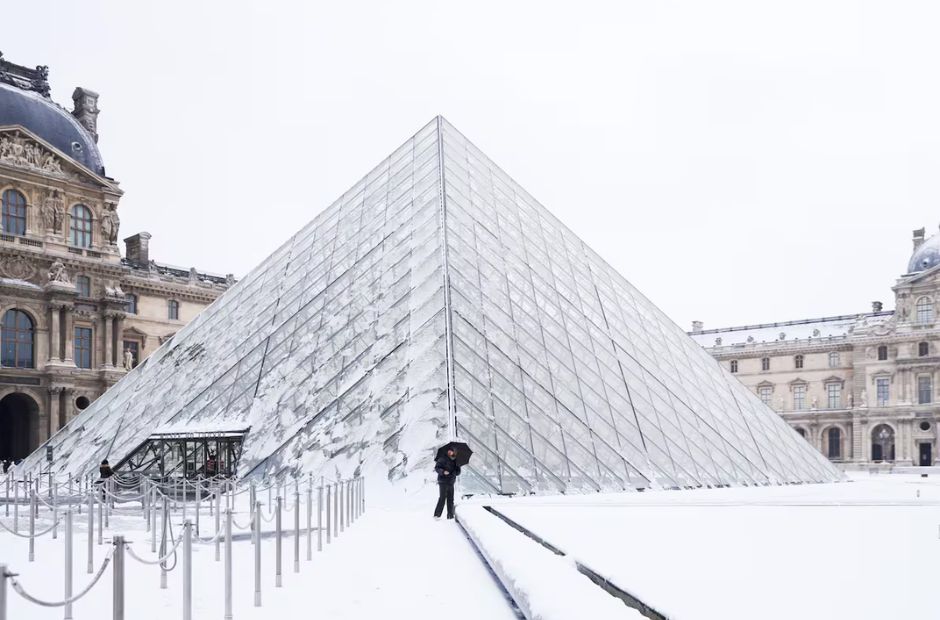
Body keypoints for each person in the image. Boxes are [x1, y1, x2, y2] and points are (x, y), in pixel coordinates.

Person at [433, 448, 461, 519]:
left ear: (453, 452)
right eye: (448, 451)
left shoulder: (456, 460)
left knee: (451, 499)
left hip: (451, 482)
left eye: (451, 451)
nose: (450, 452)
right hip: (443, 481)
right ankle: (437, 515)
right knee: (442, 498)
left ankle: (450, 515)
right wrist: (443, 472)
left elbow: (458, 473)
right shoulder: (442, 459)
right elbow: (437, 468)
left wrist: (458, 467)